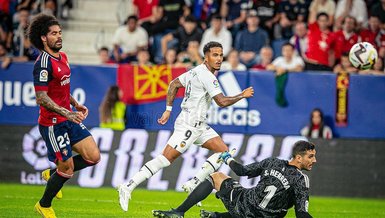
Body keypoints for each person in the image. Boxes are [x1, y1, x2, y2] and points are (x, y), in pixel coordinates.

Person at [117, 41, 254, 212]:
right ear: (206, 57)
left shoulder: (195, 71)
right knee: (165, 160)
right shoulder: (207, 76)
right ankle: (128, 186)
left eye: (220, 55)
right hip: (188, 125)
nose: (219, 59)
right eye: (215, 55)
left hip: (200, 125)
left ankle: (193, 182)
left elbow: (174, 84)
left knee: (223, 152)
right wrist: (242, 95)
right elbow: (221, 102)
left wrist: (168, 110)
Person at [29, 14, 100, 217]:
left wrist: (75, 104)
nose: (59, 37)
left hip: (68, 117)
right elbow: (41, 97)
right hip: (53, 123)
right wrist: (66, 113)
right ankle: (43, 204)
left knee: (93, 156)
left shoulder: (63, 57)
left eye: (60, 32)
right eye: (54, 33)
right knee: (67, 169)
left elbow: (60, 88)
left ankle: (52, 175)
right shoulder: (42, 63)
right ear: (43, 38)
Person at [152, 140, 316, 218]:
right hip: (264, 217)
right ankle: (216, 217)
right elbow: (301, 214)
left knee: (216, 177)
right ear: (298, 158)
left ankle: (179, 212)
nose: (314, 160)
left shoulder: (272, 162)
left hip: (245, 206)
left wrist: (227, 157)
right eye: (311, 156)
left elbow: (242, 170)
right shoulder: (301, 179)